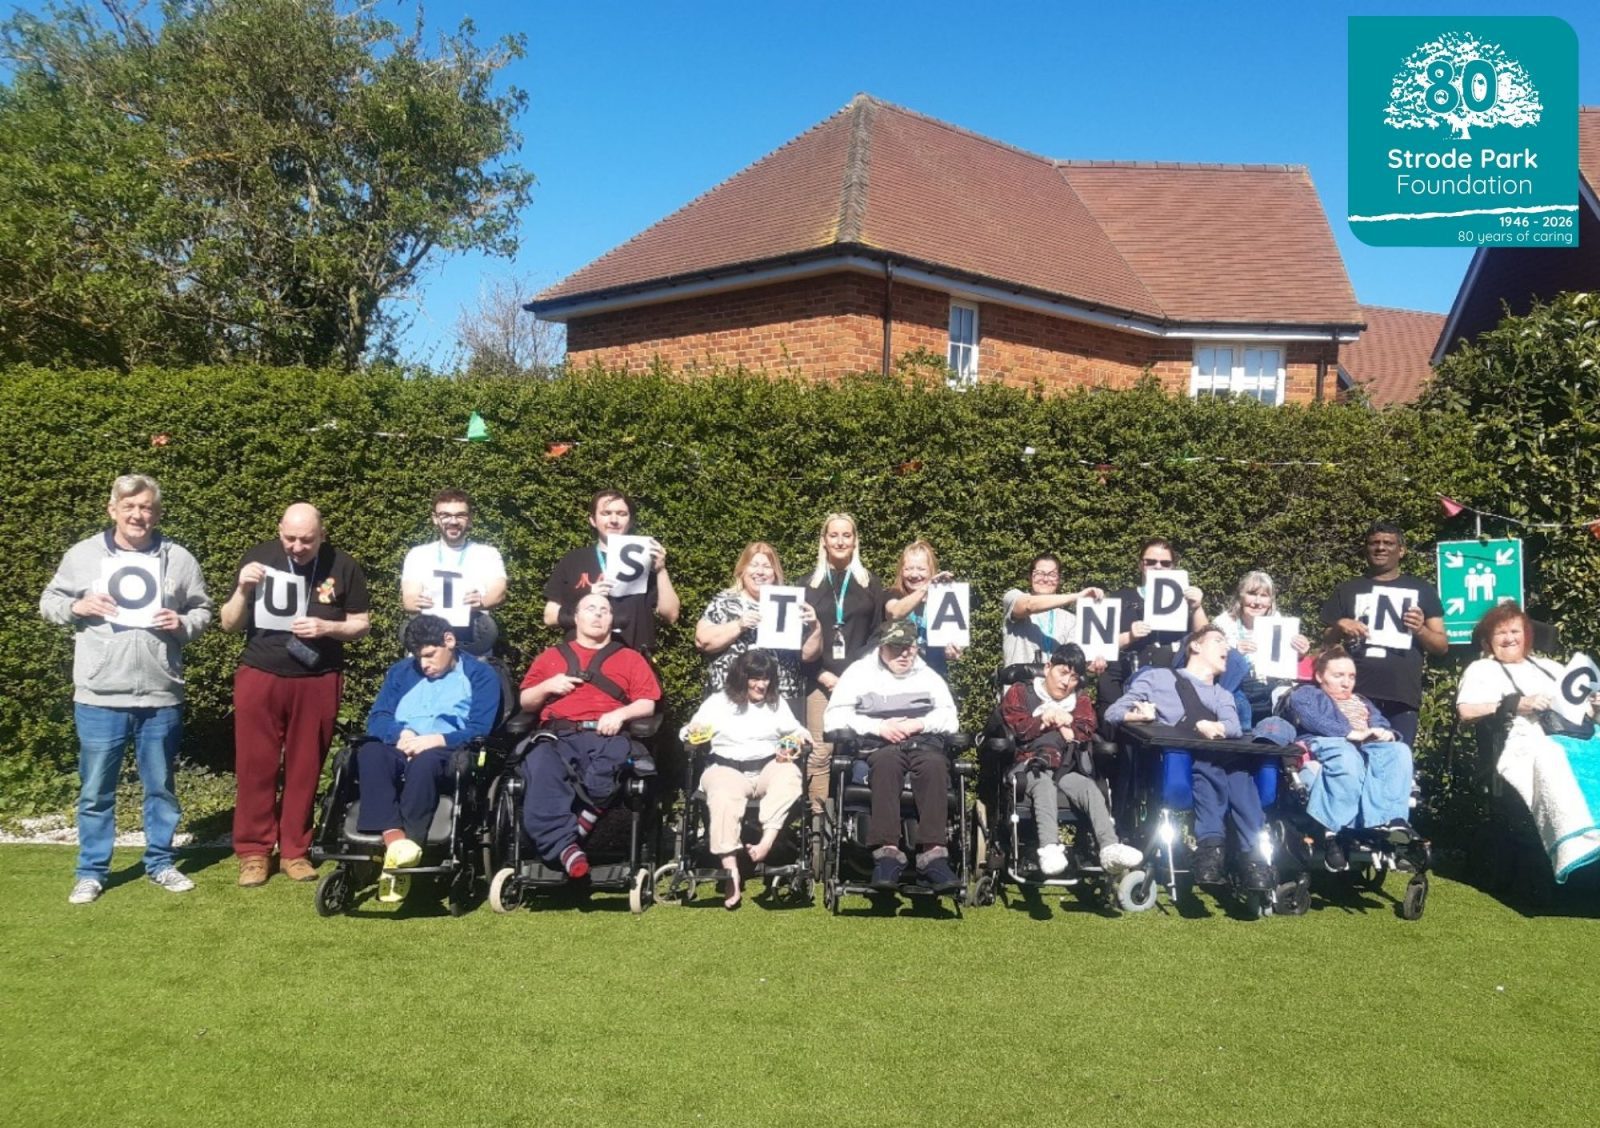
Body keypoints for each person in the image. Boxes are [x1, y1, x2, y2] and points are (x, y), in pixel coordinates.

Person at [40, 474, 213, 904]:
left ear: (157, 512)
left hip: (161, 694)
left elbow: (203, 610)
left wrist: (183, 623)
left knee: (161, 788)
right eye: (130, 507)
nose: (138, 515)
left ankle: (160, 862)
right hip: (99, 695)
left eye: (147, 507)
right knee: (96, 791)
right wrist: (77, 606)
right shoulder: (83, 555)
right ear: (113, 509)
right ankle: (91, 871)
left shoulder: (179, 559)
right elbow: (49, 602)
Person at [221, 503, 371, 887]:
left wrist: (326, 627)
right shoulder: (258, 558)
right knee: (256, 766)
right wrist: (242, 588)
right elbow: (228, 623)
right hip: (261, 672)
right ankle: (254, 852)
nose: (297, 547)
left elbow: (361, 625)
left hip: (318, 677)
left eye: (307, 540)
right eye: (290, 538)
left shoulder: (343, 565)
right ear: (279, 531)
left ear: (322, 535)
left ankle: (294, 851)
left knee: (306, 767)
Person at [1104, 624, 1274, 890]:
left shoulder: (1222, 694)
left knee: (1241, 776)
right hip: (1179, 762)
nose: (1226, 648)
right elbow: (1113, 712)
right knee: (1207, 770)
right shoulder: (1158, 678)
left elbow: (1233, 726)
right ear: (1195, 646)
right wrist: (1139, 716)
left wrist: (1215, 726)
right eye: (1218, 640)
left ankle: (1255, 862)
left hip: (1221, 757)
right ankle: (1210, 849)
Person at [355, 615, 500, 902]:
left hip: (448, 747)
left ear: (449, 641)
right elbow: (379, 717)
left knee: (426, 763)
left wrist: (438, 739)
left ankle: (410, 846)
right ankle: (396, 843)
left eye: (430, 655)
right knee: (370, 753)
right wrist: (401, 733)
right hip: (403, 742)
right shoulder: (401, 672)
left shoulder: (481, 675)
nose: (423, 664)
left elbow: (480, 728)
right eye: (418, 657)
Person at [518, 592, 661, 878]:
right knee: (541, 763)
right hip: (558, 736)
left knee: (615, 757)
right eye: (590, 608)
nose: (597, 614)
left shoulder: (630, 658)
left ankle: (574, 832)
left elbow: (647, 703)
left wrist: (621, 714)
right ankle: (567, 846)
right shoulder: (551, 657)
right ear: (576, 617)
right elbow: (526, 702)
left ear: (612, 620)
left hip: (607, 734)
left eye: (604, 610)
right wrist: (547, 686)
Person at [1456, 602, 1600, 883]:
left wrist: (1595, 706)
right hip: (1527, 742)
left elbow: (1583, 713)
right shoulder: (1482, 669)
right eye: (1501, 633)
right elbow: (1466, 711)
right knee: (1552, 757)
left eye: (1515, 631)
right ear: (1487, 641)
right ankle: (1579, 841)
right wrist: (1515, 704)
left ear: (1527, 636)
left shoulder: (1552, 667)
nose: (1509, 638)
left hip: (1577, 738)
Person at [824, 619, 961, 892]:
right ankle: (887, 853)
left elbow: (950, 717)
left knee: (935, 766)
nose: (904, 654)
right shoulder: (859, 673)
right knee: (887, 764)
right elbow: (833, 718)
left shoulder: (929, 676)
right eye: (896, 648)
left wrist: (919, 723)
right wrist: (879, 727)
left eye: (909, 647)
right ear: (882, 647)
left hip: (923, 742)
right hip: (878, 745)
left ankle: (933, 855)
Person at [680, 650, 809, 909]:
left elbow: (796, 730)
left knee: (790, 776)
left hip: (767, 766)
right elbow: (688, 731)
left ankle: (765, 844)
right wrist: (691, 733)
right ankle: (731, 872)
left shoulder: (776, 703)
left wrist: (802, 737)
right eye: (755, 678)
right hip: (727, 767)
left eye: (766, 678)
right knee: (723, 795)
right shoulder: (718, 703)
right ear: (741, 678)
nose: (762, 685)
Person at [1000, 644, 1143, 876]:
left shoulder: (1080, 700)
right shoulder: (1020, 691)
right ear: (1048, 668)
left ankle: (1109, 848)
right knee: (1043, 784)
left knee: (1089, 787)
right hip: (1029, 764)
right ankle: (1049, 847)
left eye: (1074, 677)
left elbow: (1085, 730)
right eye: (1063, 673)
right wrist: (1044, 720)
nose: (1067, 682)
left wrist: (1067, 725)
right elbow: (1018, 728)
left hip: (1066, 767)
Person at [1284, 647, 1414, 871]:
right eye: (1339, 676)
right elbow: (1313, 720)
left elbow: (1380, 722)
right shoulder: (1306, 694)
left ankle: (1390, 820)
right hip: (1329, 740)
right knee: (1347, 756)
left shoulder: (1362, 700)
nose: (1346, 683)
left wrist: (1387, 733)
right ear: (1320, 676)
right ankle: (1332, 831)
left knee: (1400, 750)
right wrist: (1349, 733)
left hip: (1367, 744)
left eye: (1351, 676)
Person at [1320, 522, 1447, 746]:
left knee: (1397, 758)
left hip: (1401, 696)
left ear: (1401, 550)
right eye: (1374, 543)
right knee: (1355, 758)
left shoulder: (1422, 589)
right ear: (1366, 548)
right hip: (1354, 694)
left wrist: (1420, 629)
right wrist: (1339, 626)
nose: (1380, 548)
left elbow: (1441, 645)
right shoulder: (1347, 589)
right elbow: (1326, 644)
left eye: (1388, 543)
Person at [801, 513, 885, 811]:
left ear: (855, 541)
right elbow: (797, 641)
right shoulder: (806, 585)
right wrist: (822, 674)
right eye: (833, 535)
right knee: (820, 752)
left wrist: (852, 677)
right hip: (819, 681)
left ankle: (855, 820)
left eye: (846, 535)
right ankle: (818, 822)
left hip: (859, 681)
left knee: (859, 750)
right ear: (823, 541)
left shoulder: (870, 584)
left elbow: (878, 633)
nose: (840, 541)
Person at [543, 489, 680, 656]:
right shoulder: (573, 560)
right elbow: (549, 616)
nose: (614, 520)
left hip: (633, 658)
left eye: (621, 514)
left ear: (630, 521)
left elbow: (671, 615)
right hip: (583, 659)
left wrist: (661, 570)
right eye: (606, 513)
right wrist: (588, 597)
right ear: (593, 520)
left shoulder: (645, 559)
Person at [694, 541, 820, 714]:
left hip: (781, 699)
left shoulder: (791, 602)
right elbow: (703, 641)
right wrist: (738, 625)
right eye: (753, 565)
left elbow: (808, 655)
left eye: (767, 567)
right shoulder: (724, 602)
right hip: (731, 698)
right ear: (742, 570)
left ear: (775, 573)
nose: (760, 572)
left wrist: (815, 627)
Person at [1097, 537, 1208, 713]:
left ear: (1173, 567)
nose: (1158, 567)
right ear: (1140, 565)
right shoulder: (1120, 598)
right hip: (1122, 678)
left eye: (1165, 563)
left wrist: (1197, 608)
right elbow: (1099, 646)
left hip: (1169, 684)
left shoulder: (1183, 600)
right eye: (1150, 562)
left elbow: (1205, 640)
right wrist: (1129, 637)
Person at [400, 489, 506, 657]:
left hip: (473, 644)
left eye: (460, 515)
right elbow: (409, 599)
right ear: (435, 518)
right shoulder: (418, 554)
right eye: (445, 515)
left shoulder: (488, 554)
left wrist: (482, 602)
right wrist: (417, 602)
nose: (453, 521)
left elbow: (498, 593)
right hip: (428, 643)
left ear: (470, 518)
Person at [1212, 570, 1310, 721]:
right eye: (1252, 594)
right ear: (1241, 596)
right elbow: (1209, 661)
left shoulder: (1278, 622)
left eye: (1264, 596)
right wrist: (1233, 653)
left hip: (1271, 688)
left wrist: (1299, 651)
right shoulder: (1223, 623)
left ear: (1270, 601)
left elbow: (1284, 661)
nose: (1257, 602)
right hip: (1236, 689)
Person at [1000, 551, 1103, 668]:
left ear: (1059, 579)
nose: (1045, 579)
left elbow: (1073, 662)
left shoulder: (1070, 620)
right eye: (1039, 573)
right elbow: (1028, 605)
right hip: (1019, 679)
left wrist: (1090, 665)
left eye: (1052, 574)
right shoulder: (1013, 597)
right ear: (1030, 576)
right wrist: (1077, 596)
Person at [883, 539, 964, 680]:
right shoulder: (891, 595)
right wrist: (927, 587)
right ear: (901, 571)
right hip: (897, 679)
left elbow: (954, 639)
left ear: (931, 571)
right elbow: (895, 613)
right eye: (909, 569)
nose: (914, 575)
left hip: (933, 678)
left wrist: (952, 650)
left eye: (921, 569)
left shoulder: (944, 599)